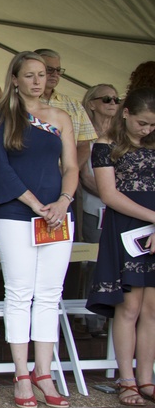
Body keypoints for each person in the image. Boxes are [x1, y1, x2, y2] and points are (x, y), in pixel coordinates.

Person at [0, 52, 78, 408]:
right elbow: (0, 167)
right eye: (30, 75)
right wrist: (35, 204)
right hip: (15, 213)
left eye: (43, 74)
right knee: (20, 292)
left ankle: (44, 371)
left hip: (57, 215)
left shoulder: (61, 117)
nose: (38, 81)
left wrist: (64, 201)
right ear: (15, 79)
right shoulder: (0, 115)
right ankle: (21, 374)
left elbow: (70, 166)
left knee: (50, 294)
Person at [85, 87, 155, 406]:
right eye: (142, 123)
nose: (147, 130)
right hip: (126, 226)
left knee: (152, 309)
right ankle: (126, 379)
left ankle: (146, 378)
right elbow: (109, 194)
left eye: (153, 125)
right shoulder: (105, 145)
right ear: (125, 113)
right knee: (129, 307)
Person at [79, 84, 121, 337]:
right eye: (107, 98)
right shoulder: (85, 135)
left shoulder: (122, 134)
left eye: (117, 98)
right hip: (94, 207)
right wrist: (111, 194)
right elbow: (84, 176)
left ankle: (114, 319)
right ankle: (94, 321)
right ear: (92, 103)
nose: (113, 102)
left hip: (121, 209)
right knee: (94, 263)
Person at [34, 49, 96, 171]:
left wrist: (69, 173)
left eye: (58, 70)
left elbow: (84, 145)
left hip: (65, 178)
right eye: (49, 69)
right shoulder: (19, 103)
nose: (55, 74)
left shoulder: (74, 105)